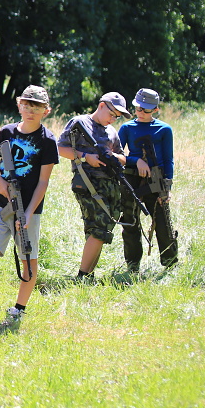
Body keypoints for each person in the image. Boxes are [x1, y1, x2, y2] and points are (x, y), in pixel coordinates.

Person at [0, 86, 58, 322]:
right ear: (19, 105)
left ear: (46, 110)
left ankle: (18, 309)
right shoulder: (7, 132)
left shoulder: (48, 140)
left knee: (28, 261)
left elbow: (43, 182)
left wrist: (29, 213)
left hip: (27, 208)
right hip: (1, 203)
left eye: (36, 107)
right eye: (26, 105)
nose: (30, 111)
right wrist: (0, 183)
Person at [57, 91, 130, 279]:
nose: (113, 119)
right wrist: (85, 156)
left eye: (118, 117)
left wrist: (111, 156)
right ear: (102, 106)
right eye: (112, 114)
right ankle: (82, 276)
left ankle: (88, 274)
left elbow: (123, 158)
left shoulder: (111, 131)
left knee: (103, 229)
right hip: (87, 182)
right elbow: (59, 148)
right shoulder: (80, 123)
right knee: (98, 229)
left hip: (111, 184)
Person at [117, 88, 178, 271]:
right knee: (130, 222)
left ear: (156, 109)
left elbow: (168, 160)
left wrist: (166, 187)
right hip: (131, 178)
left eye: (146, 109)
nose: (141, 113)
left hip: (156, 179)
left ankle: (170, 264)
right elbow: (116, 155)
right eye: (138, 108)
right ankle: (132, 264)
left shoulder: (164, 129)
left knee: (163, 222)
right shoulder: (127, 127)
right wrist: (136, 161)